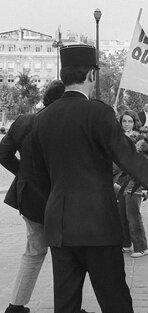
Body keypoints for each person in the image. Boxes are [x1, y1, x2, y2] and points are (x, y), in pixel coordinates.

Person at [31, 44, 148, 313]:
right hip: (97, 225)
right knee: (115, 302)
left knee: (65, 304)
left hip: (60, 227)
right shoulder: (98, 112)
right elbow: (131, 160)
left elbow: (38, 176)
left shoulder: (41, 119)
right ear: (91, 75)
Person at [0, 81, 65, 313]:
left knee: (34, 251)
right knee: (65, 255)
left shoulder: (22, 121)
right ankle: (67, 306)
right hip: (58, 199)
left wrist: (24, 173)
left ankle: (15, 305)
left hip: (28, 199)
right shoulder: (61, 124)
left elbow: (3, 153)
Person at [116, 110, 148, 258]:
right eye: (124, 121)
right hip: (118, 179)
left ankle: (141, 247)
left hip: (134, 180)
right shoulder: (116, 137)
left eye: (130, 121)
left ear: (134, 122)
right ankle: (126, 244)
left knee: (133, 215)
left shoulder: (140, 138)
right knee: (121, 213)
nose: (127, 124)